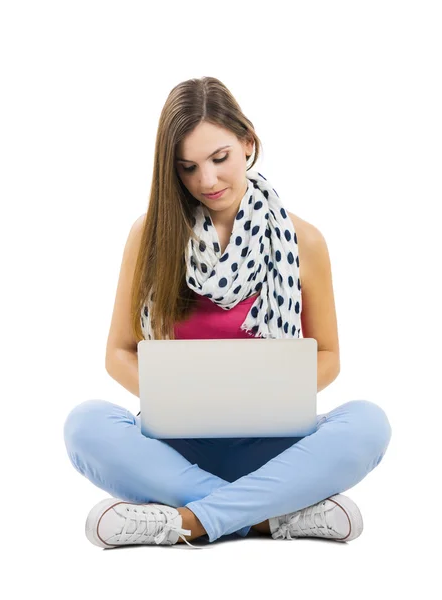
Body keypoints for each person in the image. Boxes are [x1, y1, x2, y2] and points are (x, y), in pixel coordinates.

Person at [63, 76, 392, 550]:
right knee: (84, 424)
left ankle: (184, 521)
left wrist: (261, 401)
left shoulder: (305, 241)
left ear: (248, 143)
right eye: (188, 168)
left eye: (220, 159)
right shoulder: (149, 235)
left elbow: (328, 354)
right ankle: (269, 517)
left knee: (369, 423)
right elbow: (119, 352)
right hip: (175, 450)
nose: (208, 181)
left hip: (275, 449)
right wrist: (182, 405)